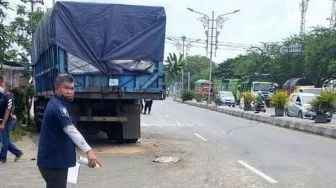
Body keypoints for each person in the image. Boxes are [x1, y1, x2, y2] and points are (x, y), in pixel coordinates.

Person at [37, 74, 101, 188]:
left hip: (55, 160)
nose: (70, 91)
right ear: (57, 89)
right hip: (54, 162)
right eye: (66, 88)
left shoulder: (60, 104)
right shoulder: (58, 107)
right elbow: (71, 130)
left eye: (72, 88)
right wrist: (89, 151)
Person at [0, 81, 23, 163]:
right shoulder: (3, 96)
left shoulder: (9, 97)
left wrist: (3, 123)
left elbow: (8, 111)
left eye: (3, 85)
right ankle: (18, 152)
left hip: (7, 121)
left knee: (4, 140)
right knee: (3, 139)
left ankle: (2, 158)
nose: (2, 86)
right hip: (2, 121)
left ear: (7, 87)